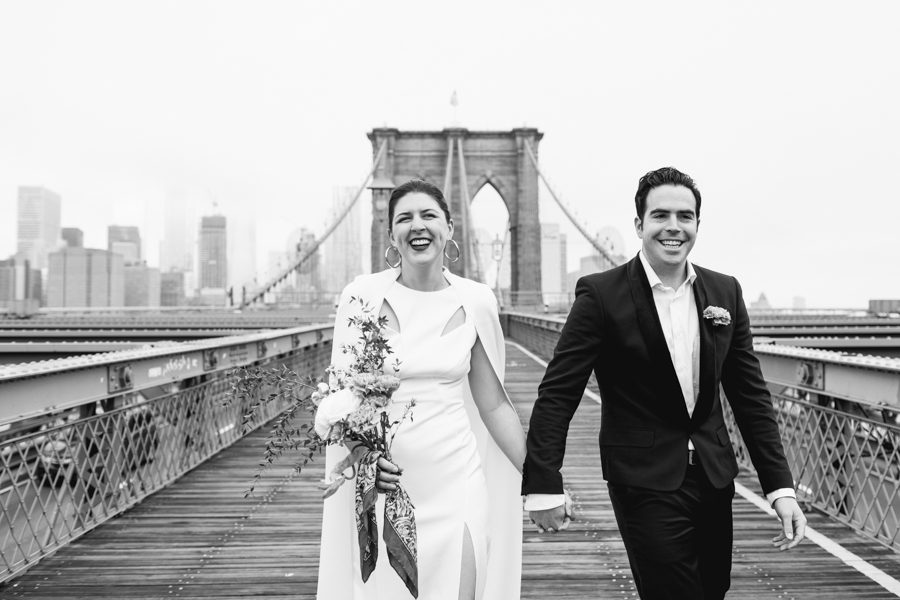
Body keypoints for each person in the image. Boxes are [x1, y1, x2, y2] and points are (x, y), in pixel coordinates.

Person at [522, 167, 807, 600]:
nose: (673, 226)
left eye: (685, 216)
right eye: (660, 216)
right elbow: (559, 392)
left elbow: (750, 397)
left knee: (713, 590)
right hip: (643, 479)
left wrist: (780, 488)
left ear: (696, 225)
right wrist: (543, 484)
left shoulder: (725, 292)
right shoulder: (600, 295)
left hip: (714, 478)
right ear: (639, 225)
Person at [317, 179, 526, 600]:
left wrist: (543, 481)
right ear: (391, 234)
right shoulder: (361, 296)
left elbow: (495, 406)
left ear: (449, 228)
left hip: (458, 482)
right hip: (386, 489)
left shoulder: (477, 300)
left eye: (429, 215)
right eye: (404, 218)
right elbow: (341, 399)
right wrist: (364, 458)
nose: (418, 226)